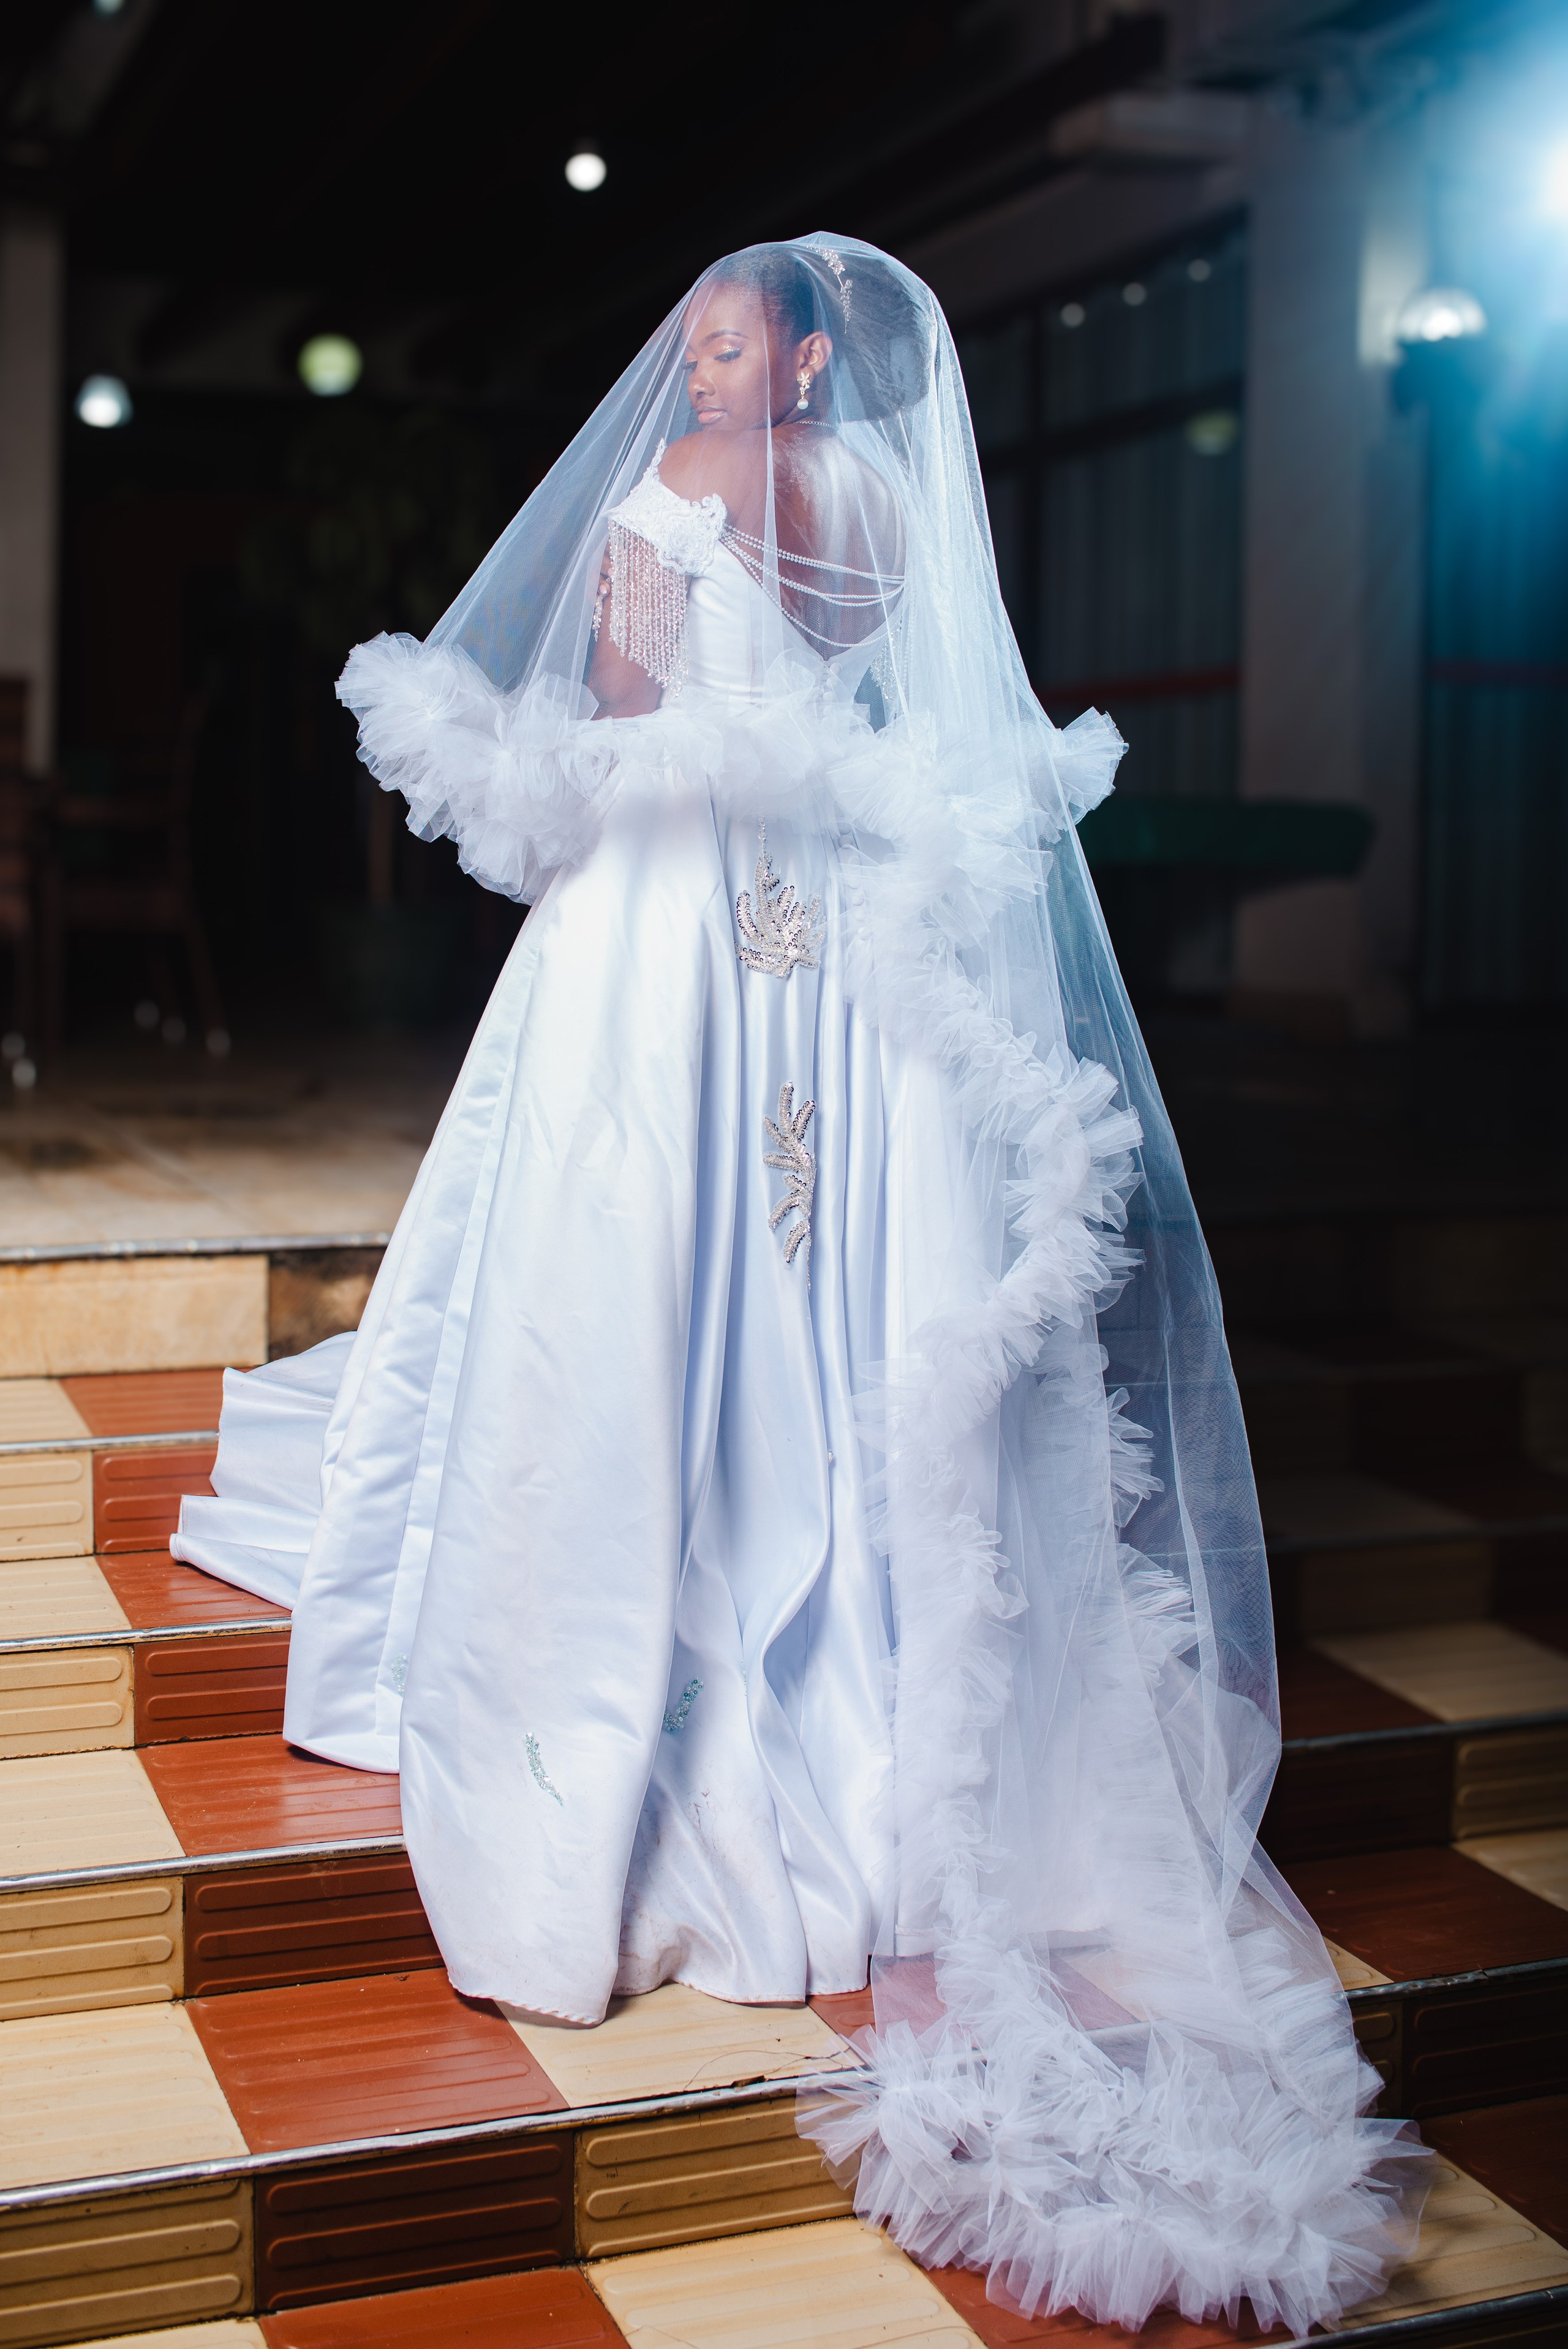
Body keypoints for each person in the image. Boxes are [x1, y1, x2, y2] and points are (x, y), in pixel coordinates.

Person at [174, 235, 1430, 2332]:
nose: (692, 365)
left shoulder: (779, 483)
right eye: (686, 338)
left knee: (738, 1254)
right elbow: (738, 698)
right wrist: (683, 639)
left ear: (808, 350)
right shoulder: (771, 488)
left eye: (728, 340)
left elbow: (764, 682)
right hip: (748, 921)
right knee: (722, 1250)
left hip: (757, 915)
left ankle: (746, 1630)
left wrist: (710, 580)